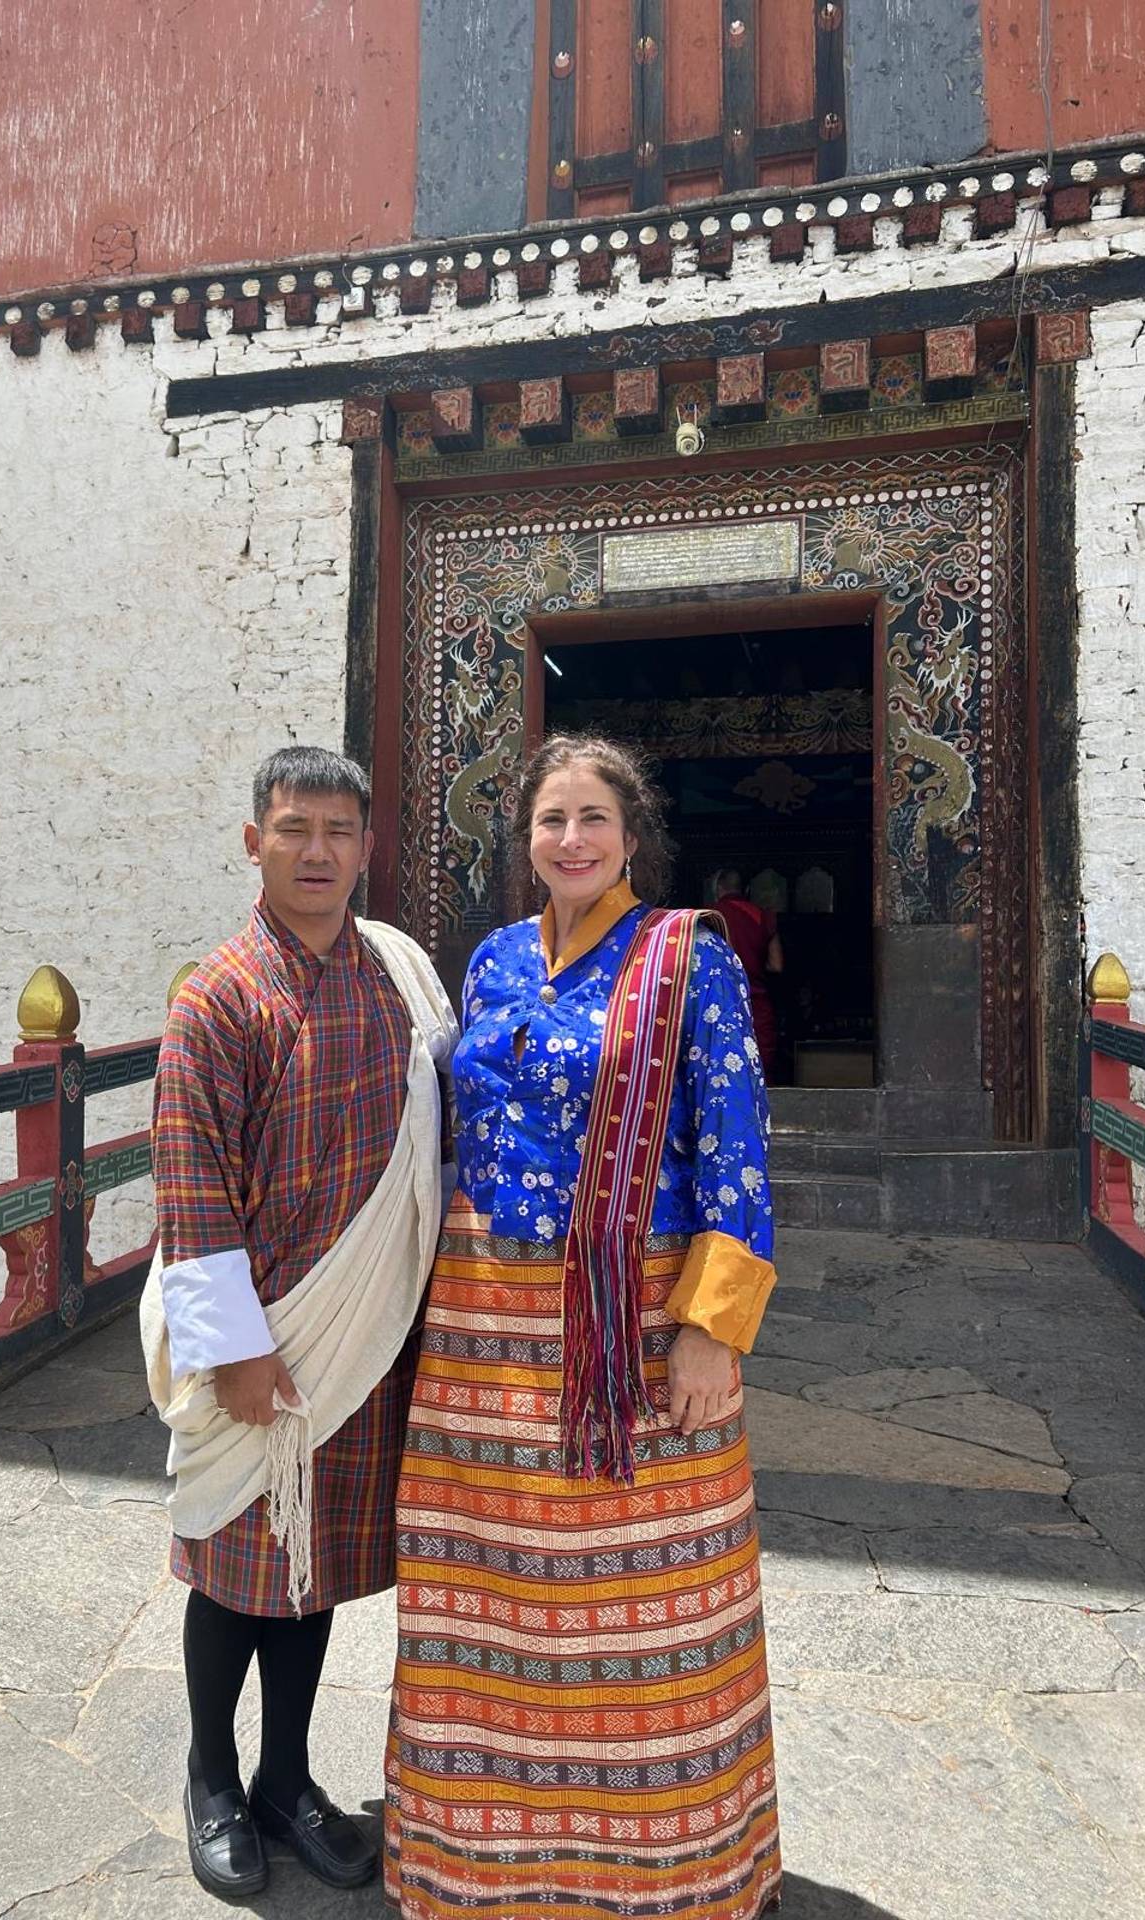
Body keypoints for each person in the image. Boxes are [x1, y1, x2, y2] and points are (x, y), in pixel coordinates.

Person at [385, 734, 782, 1920]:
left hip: (634, 1315)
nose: (571, 839)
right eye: (550, 819)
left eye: (592, 818)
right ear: (526, 839)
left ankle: (667, 1872)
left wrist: (712, 1328)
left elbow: (736, 1142)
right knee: (484, 1593)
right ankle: (478, 1867)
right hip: (482, 1325)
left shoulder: (688, 958)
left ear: (631, 835)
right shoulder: (494, 960)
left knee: (648, 1596)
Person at [144, 745, 457, 1900]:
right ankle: (211, 1776)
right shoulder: (219, 997)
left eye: (337, 831)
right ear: (253, 842)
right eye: (293, 829)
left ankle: (285, 1779)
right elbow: (190, 1187)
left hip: (361, 1334)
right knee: (233, 1566)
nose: (316, 851)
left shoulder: (399, 979)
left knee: (306, 1570)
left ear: (368, 847)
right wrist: (234, 1351)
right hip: (264, 1341)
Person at [712, 867, 784, 1082]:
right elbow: (776, 965)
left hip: (719, 1002)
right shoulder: (762, 916)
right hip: (755, 1001)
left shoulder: (710, 916)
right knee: (761, 1069)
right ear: (746, 890)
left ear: (718, 889)